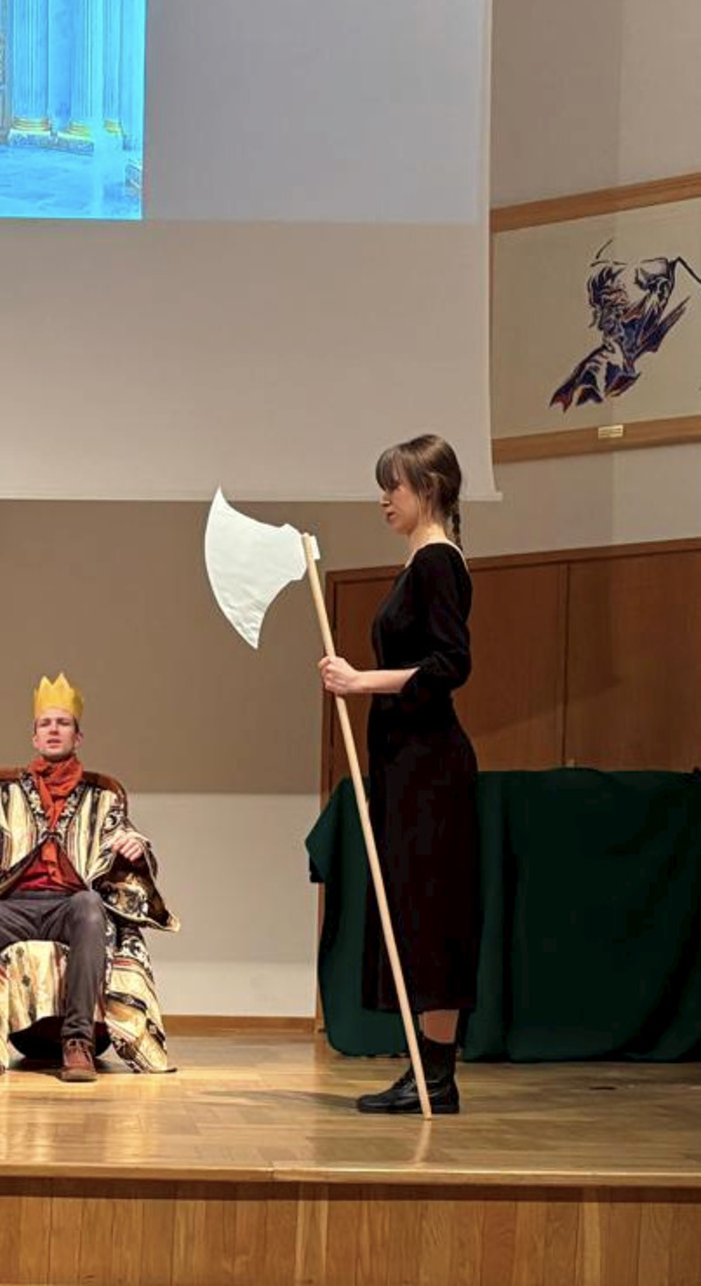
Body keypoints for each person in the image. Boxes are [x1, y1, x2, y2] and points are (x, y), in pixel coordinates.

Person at [0, 674, 178, 1084]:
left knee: (90, 906)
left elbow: (123, 838)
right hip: (12, 908)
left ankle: (77, 1042)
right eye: (45, 724)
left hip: (69, 907)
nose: (53, 730)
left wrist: (134, 848)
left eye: (62, 723)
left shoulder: (102, 799)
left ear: (77, 736)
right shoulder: (2, 797)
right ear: (34, 737)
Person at [319, 434, 477, 1115]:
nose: (385, 499)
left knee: (431, 913)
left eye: (396, 486)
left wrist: (361, 681)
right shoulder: (419, 561)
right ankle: (426, 1071)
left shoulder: (438, 561)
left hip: (430, 768)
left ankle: (437, 1078)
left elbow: (451, 664)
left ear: (429, 490)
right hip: (405, 764)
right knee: (412, 911)